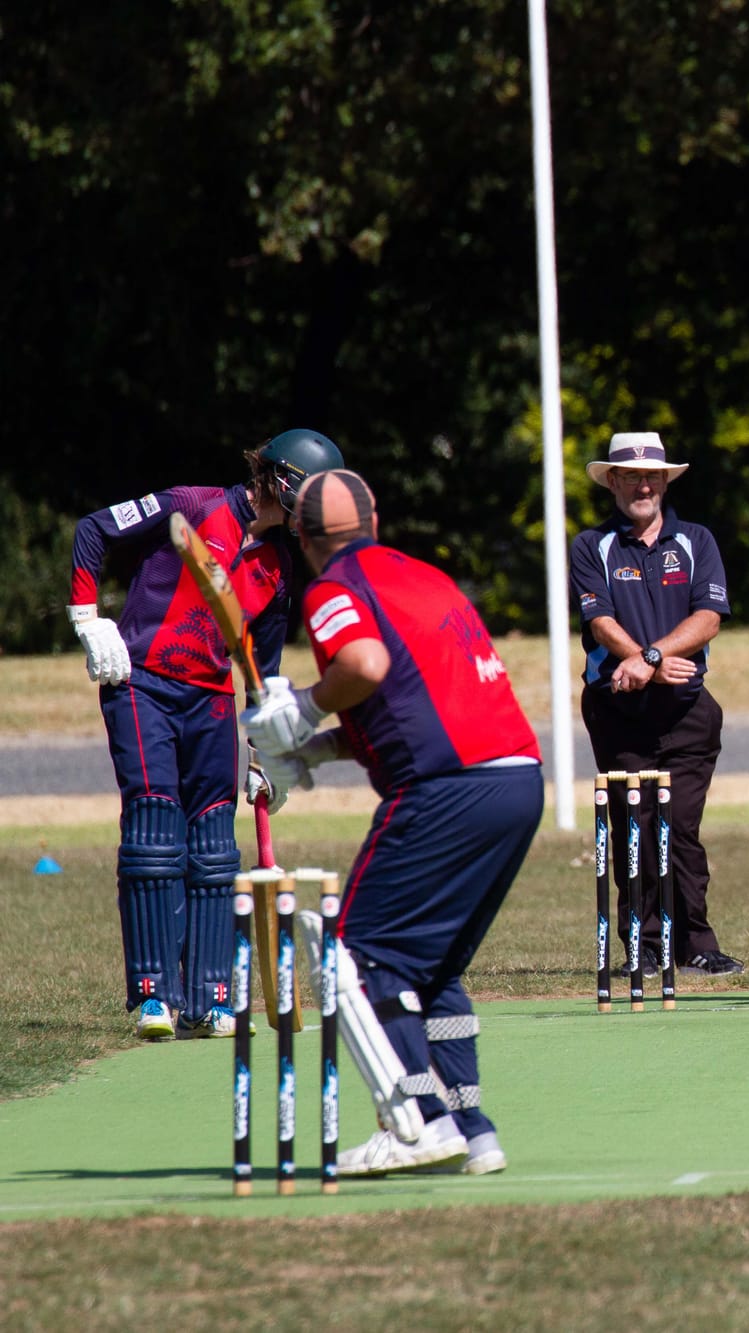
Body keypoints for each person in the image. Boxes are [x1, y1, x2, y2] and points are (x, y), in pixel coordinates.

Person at [243, 469, 541, 1177]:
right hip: (516, 778)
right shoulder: (422, 575)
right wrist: (315, 746)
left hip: (448, 789)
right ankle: (474, 1129)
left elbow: (365, 665)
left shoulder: (332, 586)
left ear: (302, 535)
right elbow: (410, 695)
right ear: (374, 517)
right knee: (430, 966)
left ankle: (419, 1122)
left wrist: (306, 705)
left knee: (361, 951)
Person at [67, 428, 344, 1041]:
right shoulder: (193, 506)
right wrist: (88, 621)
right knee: (153, 829)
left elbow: (261, 671)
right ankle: (152, 997)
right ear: (282, 480)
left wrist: (265, 748)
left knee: (216, 847)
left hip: (213, 702)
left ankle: (211, 998)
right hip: (142, 683)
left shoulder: (277, 566)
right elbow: (93, 528)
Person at [568, 432, 741, 978]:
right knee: (633, 825)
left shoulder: (696, 541)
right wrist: (645, 663)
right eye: (631, 476)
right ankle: (639, 947)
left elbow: (708, 618)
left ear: (664, 481)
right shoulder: (592, 546)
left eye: (652, 476)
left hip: (687, 710)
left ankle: (696, 943)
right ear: (613, 482)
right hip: (618, 712)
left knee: (681, 827)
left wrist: (650, 657)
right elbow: (599, 622)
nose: (643, 485)